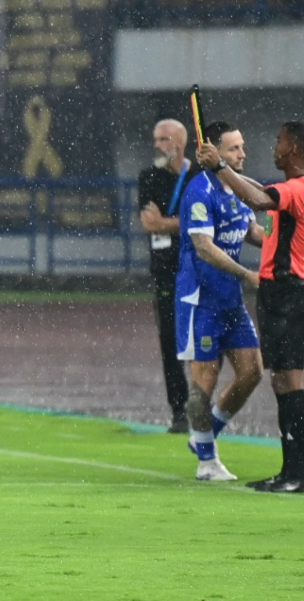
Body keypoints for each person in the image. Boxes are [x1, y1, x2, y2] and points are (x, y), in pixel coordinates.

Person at [197, 119, 304, 493]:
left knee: (290, 381)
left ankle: (297, 475)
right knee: (282, 381)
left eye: (280, 141)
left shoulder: (299, 188)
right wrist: (223, 167)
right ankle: (289, 473)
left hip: (286, 293)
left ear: (295, 149)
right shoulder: (295, 187)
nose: (274, 147)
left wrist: (220, 167)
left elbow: (258, 198)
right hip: (276, 293)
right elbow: (257, 190)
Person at [176, 120, 263, 481]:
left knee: (252, 372)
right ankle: (207, 463)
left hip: (230, 300)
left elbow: (255, 232)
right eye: (234, 148)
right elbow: (204, 247)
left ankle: (205, 432)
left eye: (241, 147)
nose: (242, 153)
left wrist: (297, 247)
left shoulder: (237, 191)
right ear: (212, 152)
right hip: (201, 301)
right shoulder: (200, 191)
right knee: (203, 385)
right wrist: (247, 275)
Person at [137, 119, 195, 433]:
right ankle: (179, 408)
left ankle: (202, 403)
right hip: (164, 271)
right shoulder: (149, 178)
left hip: (196, 268)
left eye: (163, 139)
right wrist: (185, 222)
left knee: (201, 338)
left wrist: (169, 222)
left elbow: (205, 222)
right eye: (155, 138)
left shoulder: (198, 176)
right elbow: (150, 224)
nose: (157, 145)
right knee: (170, 341)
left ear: (179, 143)